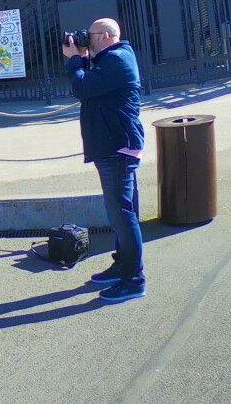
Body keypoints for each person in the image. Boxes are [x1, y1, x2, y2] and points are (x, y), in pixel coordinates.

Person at [63, 18, 146, 303]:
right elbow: (92, 86)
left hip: (117, 148)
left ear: (107, 36)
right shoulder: (110, 59)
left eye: (92, 34)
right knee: (122, 213)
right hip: (113, 145)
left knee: (121, 214)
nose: (87, 37)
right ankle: (123, 265)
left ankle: (134, 279)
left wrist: (75, 60)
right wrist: (83, 57)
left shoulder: (117, 60)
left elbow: (82, 88)